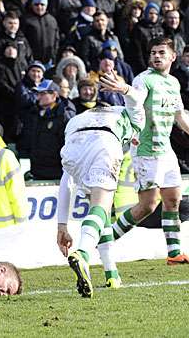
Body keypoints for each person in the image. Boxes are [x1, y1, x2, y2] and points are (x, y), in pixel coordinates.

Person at [100, 37, 189, 265]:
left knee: (173, 200)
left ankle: (174, 253)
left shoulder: (174, 83)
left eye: (161, 52)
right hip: (146, 151)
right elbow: (136, 97)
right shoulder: (143, 79)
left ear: (172, 57)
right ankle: (103, 240)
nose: (156, 56)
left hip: (166, 151)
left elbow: (180, 117)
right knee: (148, 206)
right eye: (153, 53)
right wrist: (125, 89)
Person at [56, 94, 145, 298]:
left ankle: (111, 274)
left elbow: (65, 182)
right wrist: (126, 89)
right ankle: (83, 254)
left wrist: (62, 225)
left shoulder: (76, 119)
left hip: (73, 147)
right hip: (104, 143)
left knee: (98, 213)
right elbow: (135, 103)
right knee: (102, 206)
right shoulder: (127, 116)